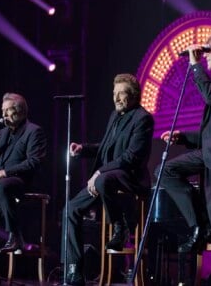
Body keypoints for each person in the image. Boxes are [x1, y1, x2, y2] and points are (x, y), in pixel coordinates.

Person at [61, 73, 154, 285]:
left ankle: (120, 228)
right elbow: (106, 149)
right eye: (114, 93)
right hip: (106, 178)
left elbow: (131, 158)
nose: (117, 98)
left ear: (133, 96)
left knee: (103, 181)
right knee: (70, 209)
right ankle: (75, 270)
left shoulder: (143, 119)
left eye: (122, 94)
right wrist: (83, 149)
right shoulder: (114, 116)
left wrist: (100, 173)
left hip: (129, 178)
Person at [0, 93, 47, 278]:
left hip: (21, 182)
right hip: (2, 189)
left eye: (8, 111)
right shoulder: (3, 133)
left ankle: (15, 236)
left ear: (20, 112)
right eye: (3, 111)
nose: (4, 116)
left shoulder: (33, 131)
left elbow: (34, 162)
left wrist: (5, 172)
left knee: (3, 184)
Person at [155, 35, 211, 253]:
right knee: (166, 171)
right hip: (208, 153)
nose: (205, 57)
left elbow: (209, 95)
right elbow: (209, 135)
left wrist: (195, 66)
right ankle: (199, 226)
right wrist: (183, 137)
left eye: (208, 51)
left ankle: (205, 227)